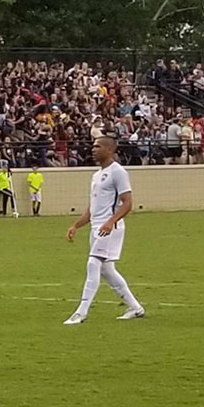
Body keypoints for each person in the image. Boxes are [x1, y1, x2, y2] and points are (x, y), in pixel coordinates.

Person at [63, 137, 146, 325]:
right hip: (97, 227)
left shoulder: (118, 172)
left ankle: (81, 312)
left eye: (97, 146)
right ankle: (135, 307)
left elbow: (128, 203)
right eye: (92, 146)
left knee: (93, 264)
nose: (93, 149)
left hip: (109, 228)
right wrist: (76, 226)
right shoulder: (96, 175)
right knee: (107, 270)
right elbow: (93, 209)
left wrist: (110, 222)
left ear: (109, 150)